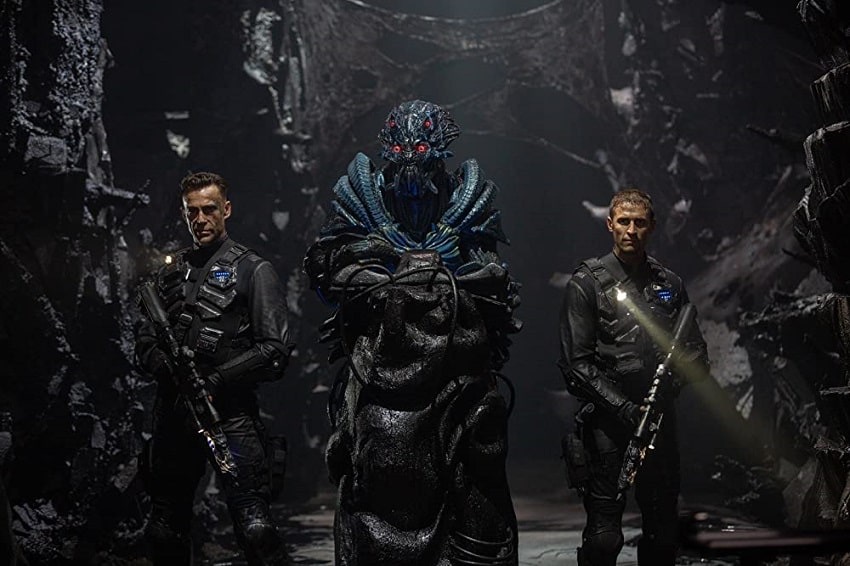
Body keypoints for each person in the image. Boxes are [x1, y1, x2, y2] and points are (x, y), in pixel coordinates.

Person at [304, 100, 521, 565]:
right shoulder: (364, 197)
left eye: (420, 150)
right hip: (383, 355)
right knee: (371, 452)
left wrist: (453, 274)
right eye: (402, 151)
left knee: (479, 461)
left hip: (455, 358)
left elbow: (494, 276)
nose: (410, 162)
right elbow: (327, 268)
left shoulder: (466, 198)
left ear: (437, 150)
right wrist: (374, 262)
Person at [135, 172, 293, 565]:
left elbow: (274, 350)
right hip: (175, 413)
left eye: (209, 209)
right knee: (163, 529)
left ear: (226, 210)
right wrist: (164, 366)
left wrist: (218, 378)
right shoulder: (170, 272)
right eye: (193, 211)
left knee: (256, 529)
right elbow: (145, 340)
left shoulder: (253, 270)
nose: (201, 219)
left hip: (230, 414)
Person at [559, 188, 709, 566]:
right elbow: (576, 366)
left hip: (658, 421)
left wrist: (672, 382)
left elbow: (697, 353)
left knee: (662, 534)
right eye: (623, 222)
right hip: (607, 424)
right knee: (604, 537)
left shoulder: (669, 283)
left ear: (651, 226)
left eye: (639, 223)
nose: (631, 230)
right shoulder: (587, 283)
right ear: (610, 225)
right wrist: (625, 409)